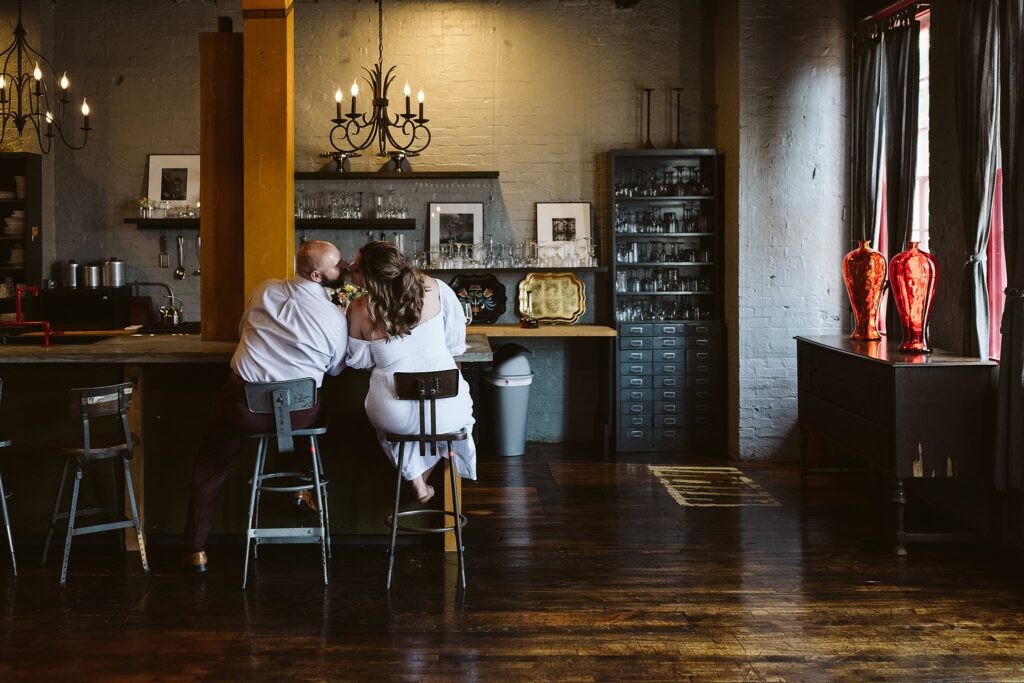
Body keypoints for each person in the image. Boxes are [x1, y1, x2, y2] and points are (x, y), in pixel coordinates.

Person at [182, 240, 349, 573]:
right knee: (318, 408)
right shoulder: (333, 315)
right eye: (337, 264)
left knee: (212, 465)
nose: (342, 267)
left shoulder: (265, 290)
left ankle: (195, 551)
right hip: (301, 414)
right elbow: (335, 369)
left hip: (243, 407)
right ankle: (306, 486)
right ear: (318, 275)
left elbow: (243, 329)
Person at [346, 241, 476, 503]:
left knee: (393, 429)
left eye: (356, 267)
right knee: (449, 426)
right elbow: (455, 343)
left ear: (369, 276)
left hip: (393, 414)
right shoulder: (435, 288)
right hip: (447, 409)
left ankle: (416, 480)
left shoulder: (359, 308)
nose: (350, 270)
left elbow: (358, 361)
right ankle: (421, 482)